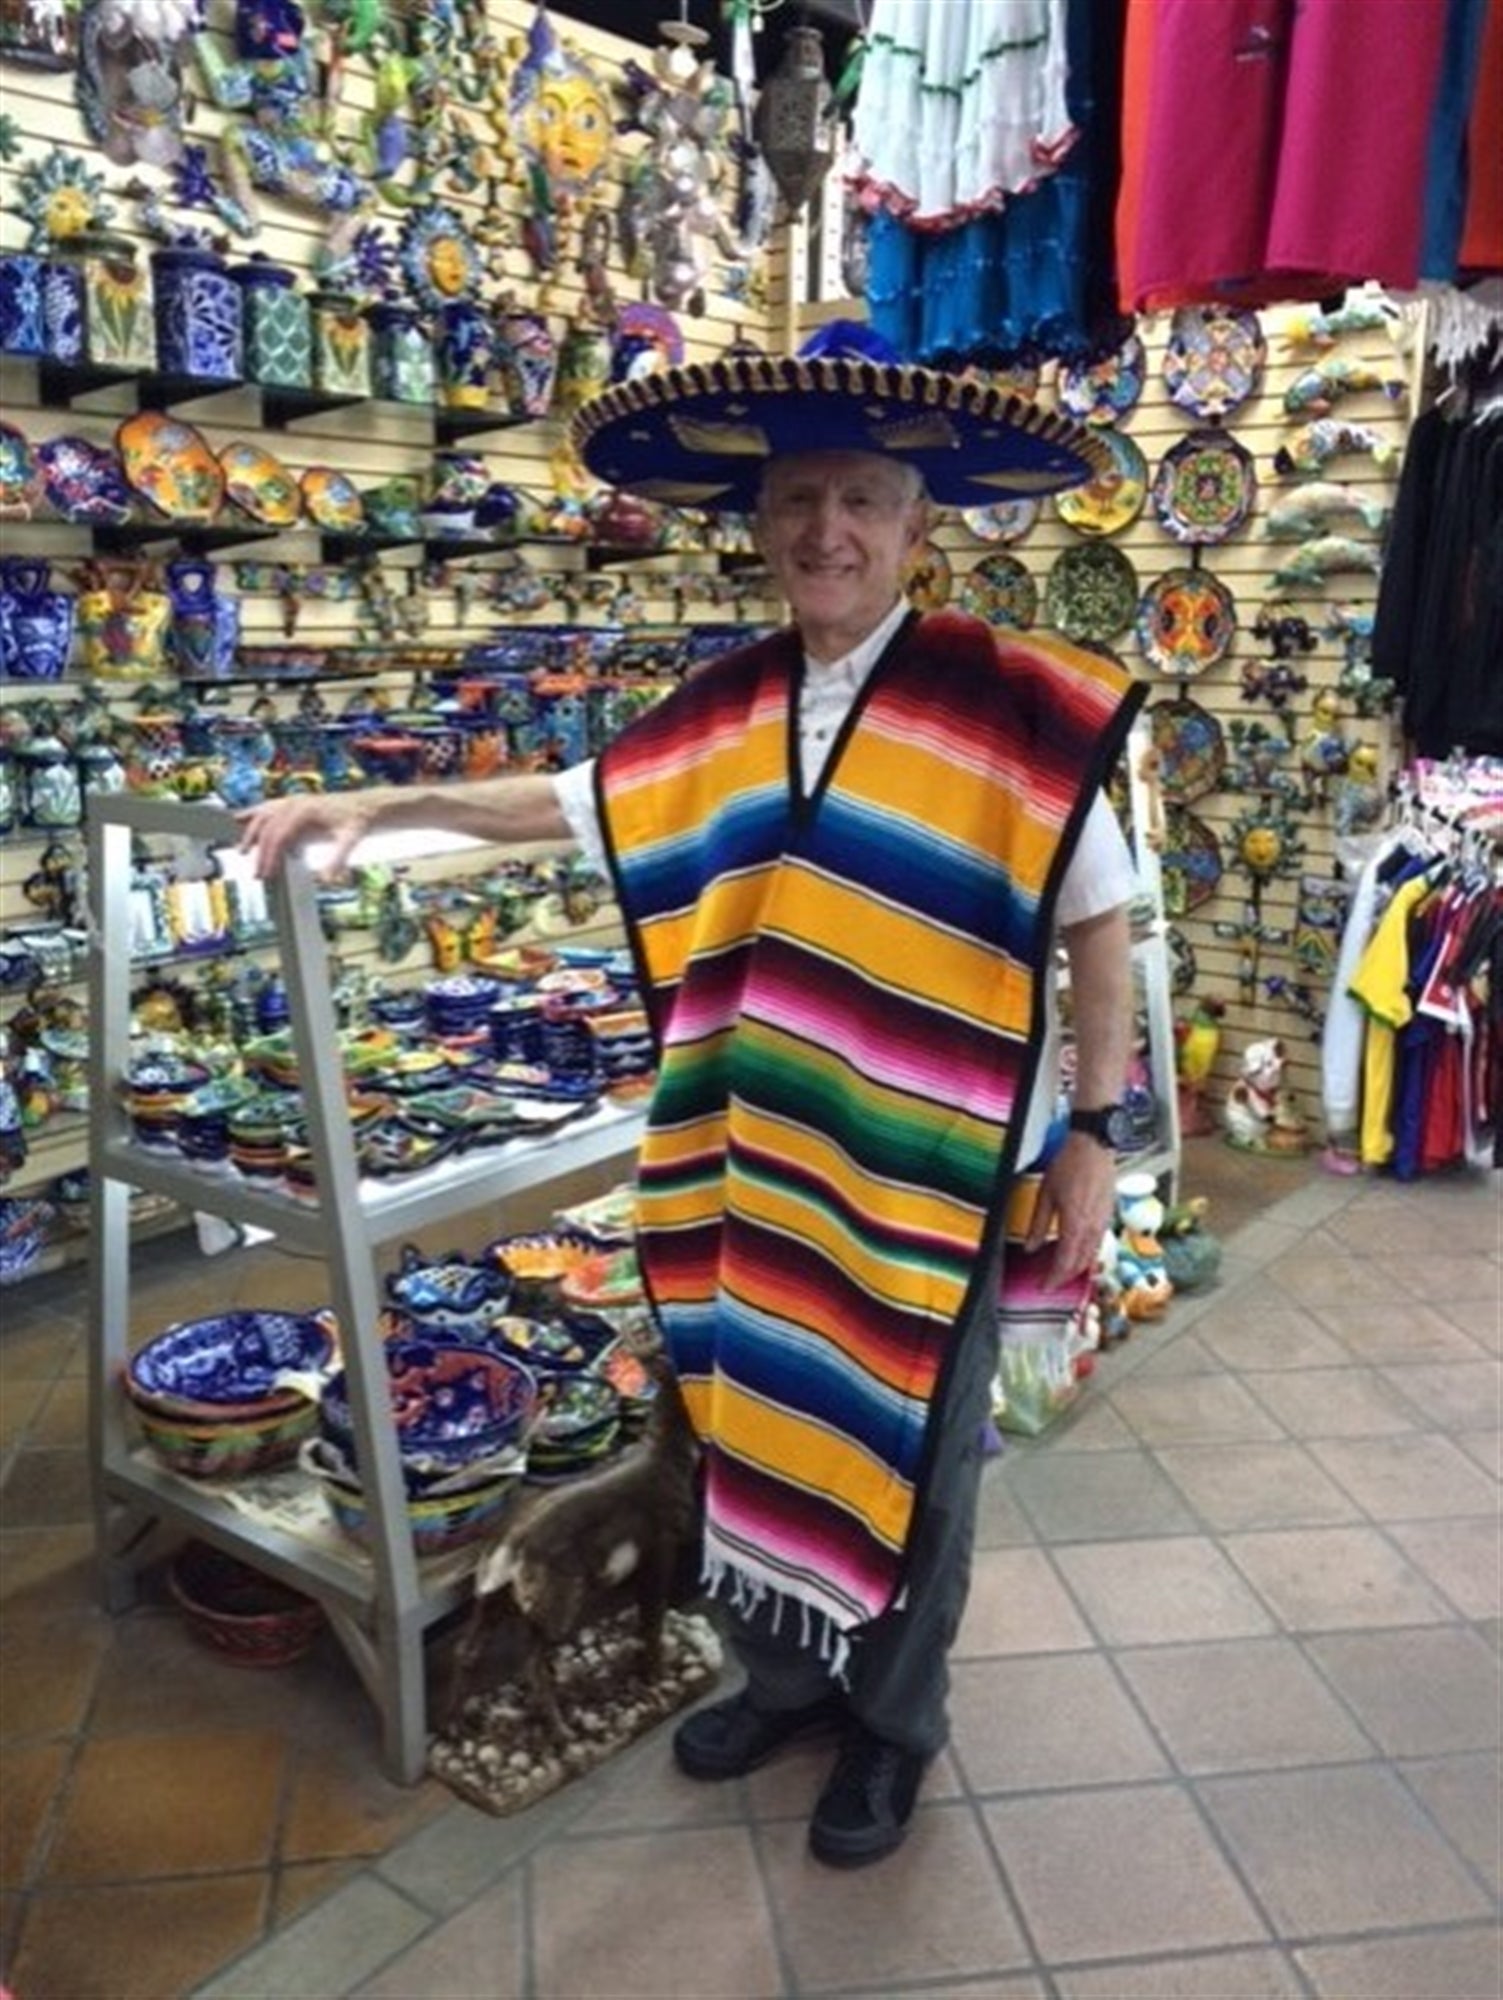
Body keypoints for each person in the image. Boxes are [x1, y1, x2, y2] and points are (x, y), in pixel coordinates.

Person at [240, 324, 1145, 1869]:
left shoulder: (1014, 708)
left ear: (919, 528)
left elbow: (1096, 926)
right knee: (738, 1420)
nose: (827, 533)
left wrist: (1094, 1135)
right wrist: (374, 799)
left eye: (862, 499)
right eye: (798, 499)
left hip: (929, 1172)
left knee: (914, 1465)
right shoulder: (720, 710)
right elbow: (570, 800)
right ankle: (785, 1678)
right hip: (756, 1163)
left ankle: (891, 1727)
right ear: (762, 523)